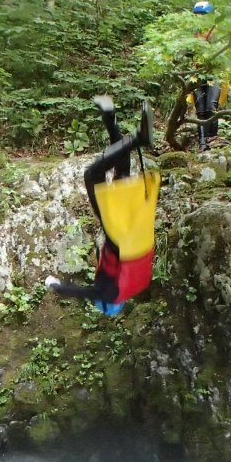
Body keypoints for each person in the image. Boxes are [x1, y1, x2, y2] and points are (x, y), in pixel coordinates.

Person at [44, 96, 158, 316]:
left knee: (121, 173)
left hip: (137, 231)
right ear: (108, 305)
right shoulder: (109, 294)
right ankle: (138, 138)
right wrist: (53, 285)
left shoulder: (134, 286)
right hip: (120, 236)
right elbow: (78, 292)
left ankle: (110, 117)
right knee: (92, 175)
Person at [189, 0, 229, 151]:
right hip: (197, 74)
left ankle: (212, 138)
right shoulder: (194, 34)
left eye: (203, 14)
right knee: (200, 109)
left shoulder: (217, 34)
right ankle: (202, 143)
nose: (201, 17)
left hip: (215, 73)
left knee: (211, 106)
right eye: (198, 15)